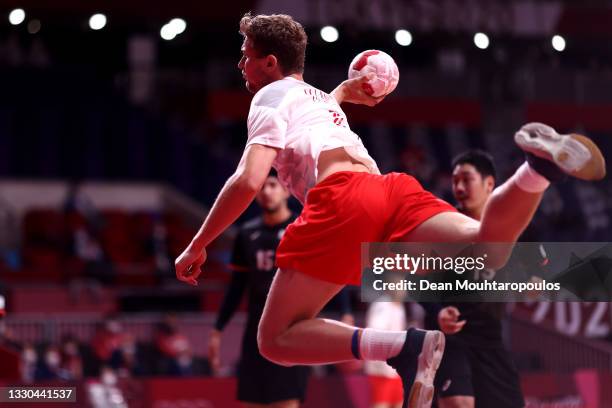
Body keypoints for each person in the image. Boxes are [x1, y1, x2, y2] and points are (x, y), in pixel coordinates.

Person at [175, 13, 606, 408]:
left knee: (274, 340)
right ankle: (538, 169)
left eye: (245, 57)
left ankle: (402, 346)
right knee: (487, 248)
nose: (240, 65)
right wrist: (343, 92)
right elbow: (318, 112)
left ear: (269, 63)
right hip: (388, 189)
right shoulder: (318, 101)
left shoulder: (269, 96)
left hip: (340, 202)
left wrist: (197, 244)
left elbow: (249, 180)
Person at [421, 150, 525, 408]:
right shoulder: (442, 226)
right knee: (459, 403)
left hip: (491, 342)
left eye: (466, 179)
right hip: (450, 340)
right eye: (455, 180)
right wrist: (438, 311)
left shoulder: (507, 229)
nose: (458, 187)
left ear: (489, 184)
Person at [209, 172, 309, 407]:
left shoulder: (302, 228)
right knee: (252, 401)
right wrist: (217, 329)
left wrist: (344, 310)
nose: (266, 192)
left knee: (287, 401)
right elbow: (236, 287)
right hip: (256, 330)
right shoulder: (246, 234)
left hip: (291, 325)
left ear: (286, 190)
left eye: (273, 185)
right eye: (262, 187)